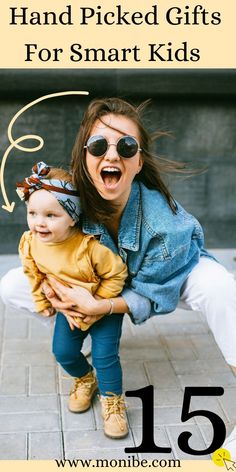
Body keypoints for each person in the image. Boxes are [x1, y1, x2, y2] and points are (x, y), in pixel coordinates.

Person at [1, 98, 236, 449]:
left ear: (138, 161)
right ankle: (85, 351)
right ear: (84, 157)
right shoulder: (67, 197)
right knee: (12, 285)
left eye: (126, 146)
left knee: (220, 286)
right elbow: (43, 243)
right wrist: (56, 291)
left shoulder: (166, 226)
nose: (112, 155)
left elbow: (152, 294)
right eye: (98, 146)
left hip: (168, 275)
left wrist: (102, 307)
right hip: (96, 277)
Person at [14, 161, 129, 439]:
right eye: (32, 213)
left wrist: (98, 305)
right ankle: (85, 379)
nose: (39, 222)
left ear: (73, 217)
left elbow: (117, 274)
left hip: (103, 308)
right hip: (70, 309)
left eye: (51, 215)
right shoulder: (30, 242)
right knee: (63, 352)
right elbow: (33, 270)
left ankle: (113, 402)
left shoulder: (88, 246)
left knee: (105, 357)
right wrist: (44, 299)